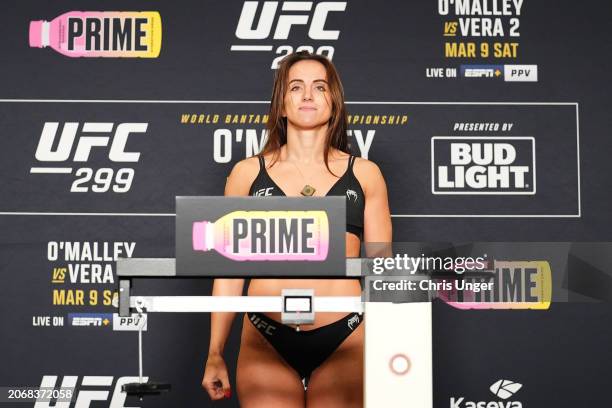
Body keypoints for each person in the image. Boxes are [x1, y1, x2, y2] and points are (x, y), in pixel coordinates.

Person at [201, 51, 392, 407]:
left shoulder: (365, 174)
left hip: (344, 337)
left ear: (334, 103)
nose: (307, 95)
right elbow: (227, 272)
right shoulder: (246, 174)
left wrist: (396, 351)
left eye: (319, 87)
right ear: (282, 105)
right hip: (266, 338)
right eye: (296, 87)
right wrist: (215, 351)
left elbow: (383, 271)